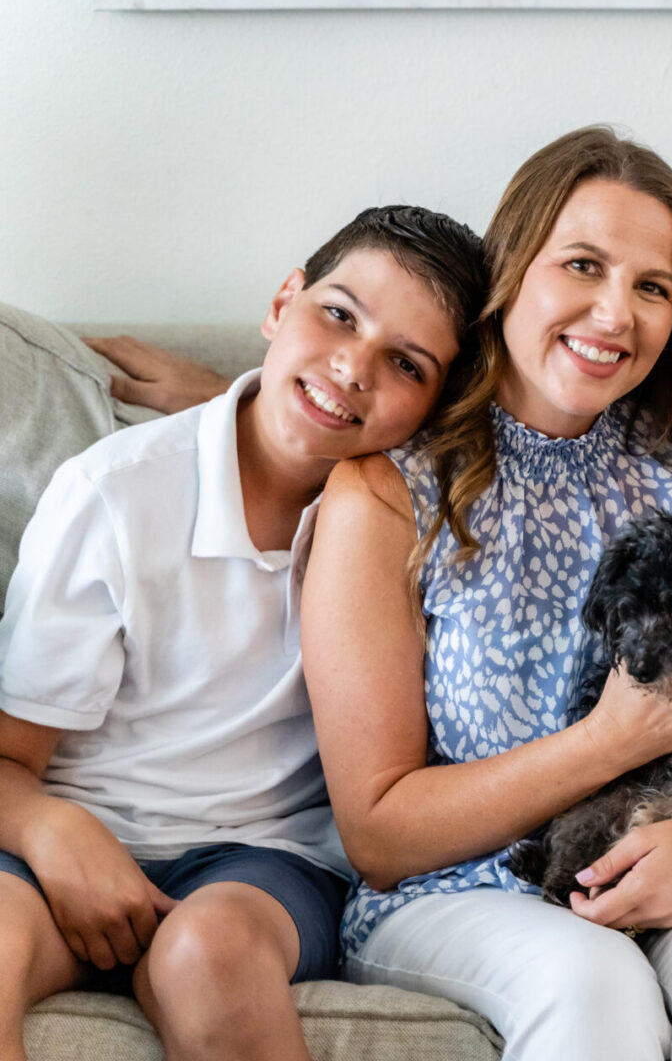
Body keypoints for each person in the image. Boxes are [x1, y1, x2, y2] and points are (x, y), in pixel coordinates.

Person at [299, 126, 672, 1061]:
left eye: (651, 287)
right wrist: (613, 741)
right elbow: (380, 833)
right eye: (583, 266)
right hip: (465, 889)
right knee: (592, 982)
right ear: (511, 269)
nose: (614, 314)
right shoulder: (390, 492)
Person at [0, 205, 486, 1061]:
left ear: (439, 407)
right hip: (69, 842)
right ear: (282, 303)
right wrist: (52, 832)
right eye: (338, 315)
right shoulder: (112, 493)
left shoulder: (410, 521)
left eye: (405, 363)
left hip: (262, 864)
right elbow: (11, 760)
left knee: (207, 956)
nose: (352, 366)